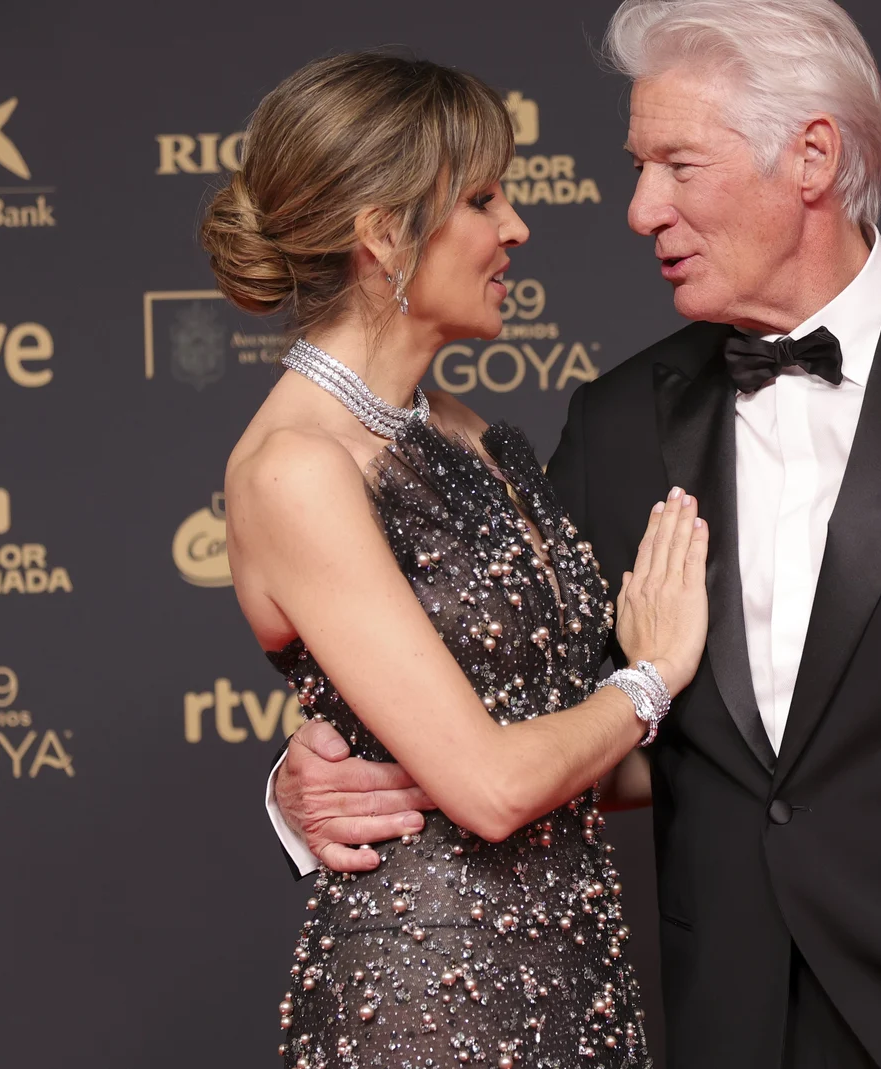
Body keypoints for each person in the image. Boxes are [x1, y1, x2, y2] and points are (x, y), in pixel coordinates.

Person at [269, 2, 881, 1065]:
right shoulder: (620, 417)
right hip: (734, 1024)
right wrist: (311, 776)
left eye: (676, 165)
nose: (639, 209)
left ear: (810, 155)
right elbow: (511, 693)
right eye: (638, 168)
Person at [207, 52, 711, 1069]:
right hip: (431, 1006)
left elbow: (566, 753)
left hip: (580, 987)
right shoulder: (294, 470)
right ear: (383, 233)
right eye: (482, 198)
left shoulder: (480, 436)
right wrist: (651, 677)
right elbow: (487, 786)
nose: (516, 226)